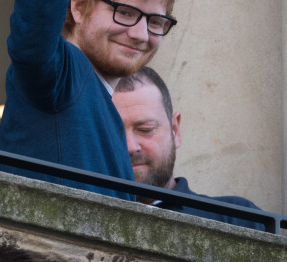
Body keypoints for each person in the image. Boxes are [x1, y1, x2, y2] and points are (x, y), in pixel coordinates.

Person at [0, 0, 177, 201]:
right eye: (125, 12)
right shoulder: (62, 73)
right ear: (79, 7)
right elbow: (34, 34)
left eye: (155, 22)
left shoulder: (106, 108)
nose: (141, 35)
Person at [113, 66, 265, 231]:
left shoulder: (238, 219)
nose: (130, 147)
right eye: (114, 132)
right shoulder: (82, 210)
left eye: (145, 129)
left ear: (175, 131)